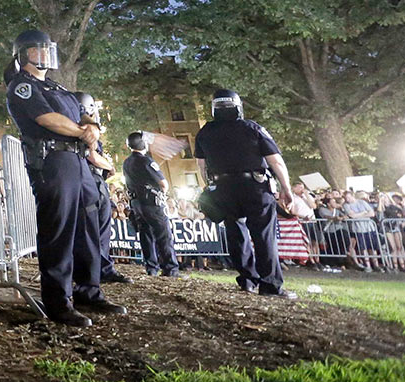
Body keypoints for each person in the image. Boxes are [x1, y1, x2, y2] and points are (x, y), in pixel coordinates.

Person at [4, 29, 125, 326]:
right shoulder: (23, 87)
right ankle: (58, 300)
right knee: (58, 229)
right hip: (52, 161)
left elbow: (82, 111)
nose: (45, 55)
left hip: (78, 160)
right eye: (37, 50)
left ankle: (88, 290)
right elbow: (47, 120)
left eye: (47, 50)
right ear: (23, 55)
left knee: (88, 225)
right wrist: (83, 131)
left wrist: (90, 125)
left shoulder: (57, 88)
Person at [193, 89, 297, 299]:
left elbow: (201, 165)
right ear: (237, 106)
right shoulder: (252, 128)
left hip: (223, 188)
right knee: (263, 235)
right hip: (255, 186)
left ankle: (247, 280)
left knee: (235, 233)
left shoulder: (205, 132)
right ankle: (270, 285)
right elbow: (275, 160)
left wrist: (211, 187)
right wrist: (286, 189)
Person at [73, 93, 129, 285]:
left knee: (103, 229)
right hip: (90, 181)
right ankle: (97, 271)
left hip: (96, 181)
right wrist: (110, 166)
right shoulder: (82, 130)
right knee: (95, 229)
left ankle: (104, 268)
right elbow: (93, 157)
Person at [122, 132, 180, 277]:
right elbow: (163, 184)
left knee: (145, 235)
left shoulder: (127, 162)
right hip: (151, 203)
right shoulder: (146, 161)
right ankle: (170, 268)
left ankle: (151, 268)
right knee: (163, 235)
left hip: (136, 204)